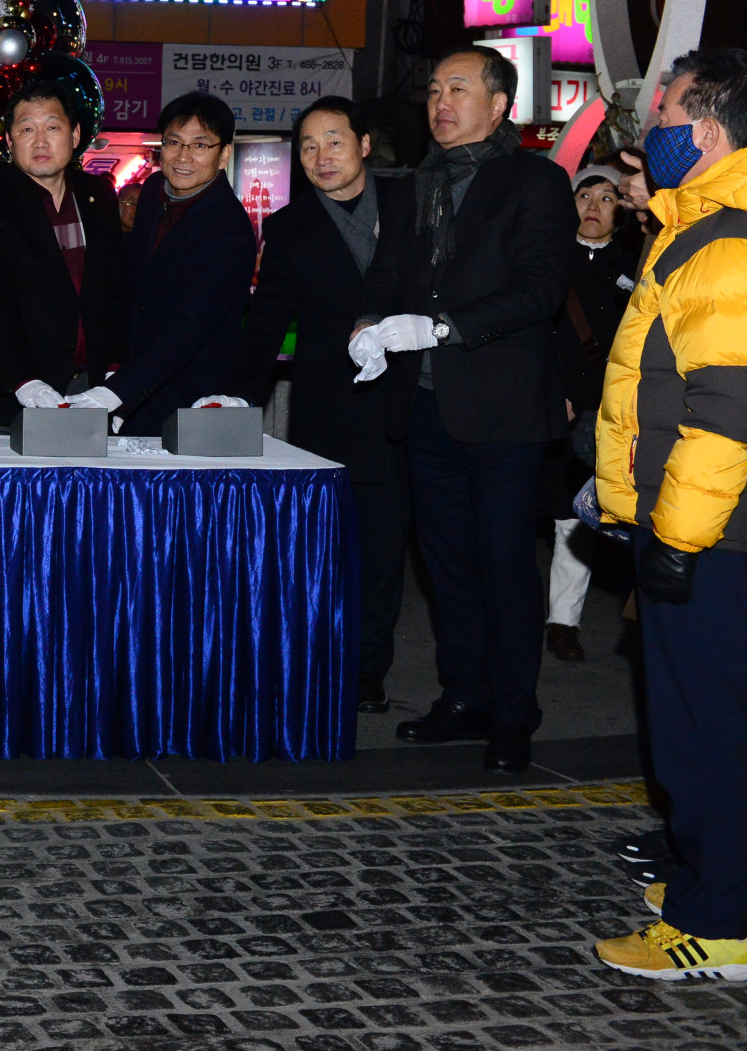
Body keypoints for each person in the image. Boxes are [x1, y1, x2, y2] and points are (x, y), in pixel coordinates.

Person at [350, 46, 575, 775]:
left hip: (502, 413)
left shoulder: (535, 181)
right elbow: (387, 279)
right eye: (434, 89)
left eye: (459, 88)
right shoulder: (414, 186)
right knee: (446, 565)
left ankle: (513, 715)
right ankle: (464, 695)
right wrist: (368, 328)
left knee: (504, 564)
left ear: (501, 105)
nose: (440, 102)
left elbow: (540, 289)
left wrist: (443, 328)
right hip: (424, 409)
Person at [591, 46, 747, 979]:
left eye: (668, 115)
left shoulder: (724, 239)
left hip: (714, 535)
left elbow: (725, 409)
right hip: (711, 526)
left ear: (712, 129)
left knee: (702, 730)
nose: (652, 131)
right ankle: (718, 876)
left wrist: (676, 538)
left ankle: (717, 921)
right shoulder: (699, 226)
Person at [231, 96, 413, 713]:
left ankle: (368, 669)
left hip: (405, 402)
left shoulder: (410, 203)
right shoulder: (288, 225)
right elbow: (266, 320)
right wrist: (237, 398)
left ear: (364, 144)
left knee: (384, 550)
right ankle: (316, 658)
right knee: (321, 545)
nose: (321, 157)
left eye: (334, 141)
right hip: (327, 407)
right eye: (308, 146)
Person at [0, 80, 128, 427]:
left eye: (52, 126)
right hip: (20, 392)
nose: (40, 141)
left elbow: (115, 290)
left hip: (94, 389)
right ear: (9, 140)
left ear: (75, 134)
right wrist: (24, 380)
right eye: (26, 129)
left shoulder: (100, 195)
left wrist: (116, 368)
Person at [104, 91, 257, 431]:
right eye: (174, 142)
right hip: (133, 381)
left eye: (200, 145)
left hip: (189, 399)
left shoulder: (229, 230)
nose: (183, 157)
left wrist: (118, 392)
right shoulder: (152, 191)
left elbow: (190, 325)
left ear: (223, 155)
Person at [544, 164, 641, 662]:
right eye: (586, 195)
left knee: (579, 517)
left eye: (608, 198)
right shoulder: (546, 260)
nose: (595, 207)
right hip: (549, 409)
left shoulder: (637, 264)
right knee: (541, 513)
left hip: (611, 415)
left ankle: (564, 622)